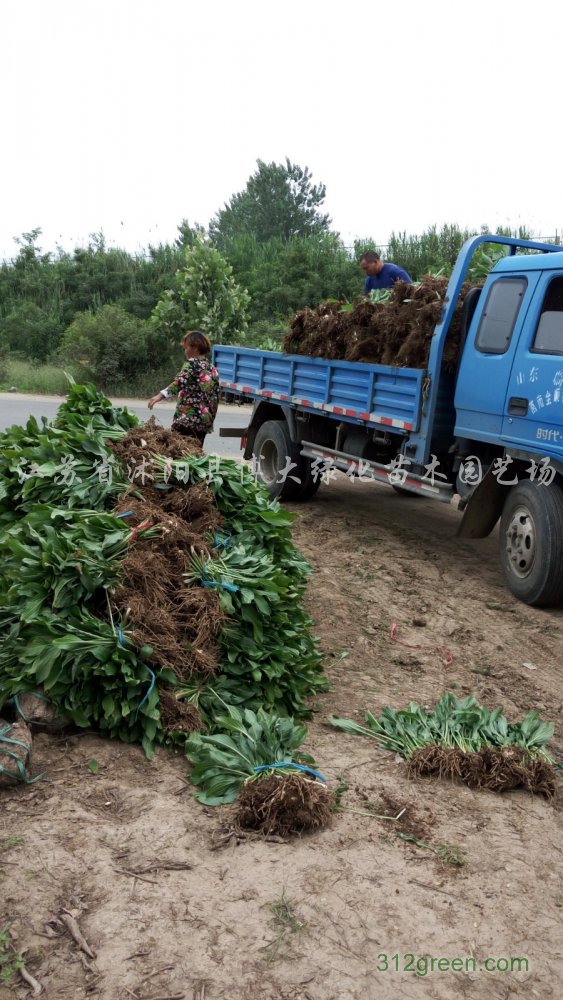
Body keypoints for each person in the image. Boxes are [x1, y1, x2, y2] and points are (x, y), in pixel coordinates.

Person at [147, 330, 220, 446]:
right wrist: (209, 420)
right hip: (204, 423)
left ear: (195, 347)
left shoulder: (191, 364)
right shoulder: (213, 369)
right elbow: (215, 398)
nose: (185, 351)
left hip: (187, 421)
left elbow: (179, 383)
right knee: (195, 455)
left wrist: (159, 396)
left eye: (186, 348)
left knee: (177, 452)